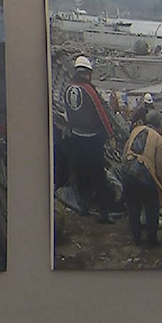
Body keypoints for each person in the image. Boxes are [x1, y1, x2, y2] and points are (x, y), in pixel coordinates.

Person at [61, 55, 116, 224]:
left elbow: (68, 113)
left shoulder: (68, 89)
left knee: (81, 175)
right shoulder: (89, 91)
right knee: (98, 177)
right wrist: (111, 136)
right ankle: (103, 213)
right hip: (92, 141)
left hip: (76, 139)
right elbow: (102, 114)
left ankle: (83, 207)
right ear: (88, 73)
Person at [121, 110, 162, 247]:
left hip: (128, 172)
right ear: (159, 125)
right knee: (151, 208)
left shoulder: (136, 130)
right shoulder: (158, 138)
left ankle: (136, 237)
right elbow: (160, 165)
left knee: (133, 206)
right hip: (144, 175)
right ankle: (151, 240)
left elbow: (125, 152)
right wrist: (161, 182)